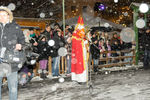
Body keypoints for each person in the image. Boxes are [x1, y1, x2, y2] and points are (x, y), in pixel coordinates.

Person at [0, 6, 25, 100]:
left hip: (11, 60)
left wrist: (20, 45)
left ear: (8, 16)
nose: (1, 17)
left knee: (13, 86)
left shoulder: (15, 27)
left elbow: (22, 41)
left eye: (3, 15)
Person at [71, 16, 88, 83]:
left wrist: (86, 42)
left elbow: (83, 40)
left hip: (82, 53)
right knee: (79, 66)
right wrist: (83, 42)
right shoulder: (75, 35)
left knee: (81, 65)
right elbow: (77, 43)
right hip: (78, 53)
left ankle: (83, 78)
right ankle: (79, 79)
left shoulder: (81, 35)